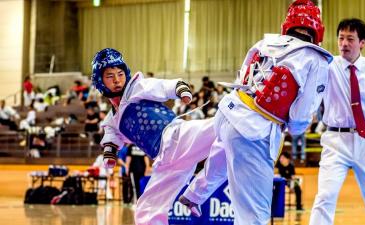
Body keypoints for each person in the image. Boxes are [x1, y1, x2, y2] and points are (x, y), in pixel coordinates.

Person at [178, 0, 332, 223]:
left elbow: (243, 76)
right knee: (254, 215)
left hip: (228, 111)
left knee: (222, 155)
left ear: (287, 24)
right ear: (318, 30)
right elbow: (300, 115)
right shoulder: (315, 59)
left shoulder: (266, 43)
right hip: (254, 130)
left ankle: (193, 195)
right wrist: (294, 127)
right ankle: (195, 195)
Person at [91, 48, 217, 224]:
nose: (117, 80)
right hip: (164, 162)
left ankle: (195, 194)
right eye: (110, 76)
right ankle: (192, 197)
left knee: (224, 128)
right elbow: (112, 138)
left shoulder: (135, 88)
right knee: (146, 211)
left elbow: (160, 87)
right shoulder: (112, 120)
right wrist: (110, 153)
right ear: (100, 80)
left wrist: (179, 89)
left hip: (176, 136)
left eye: (120, 74)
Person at [309, 18, 365, 225]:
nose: (344, 44)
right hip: (335, 140)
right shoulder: (327, 67)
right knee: (324, 197)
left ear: (362, 42)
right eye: (341, 38)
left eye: (350, 39)